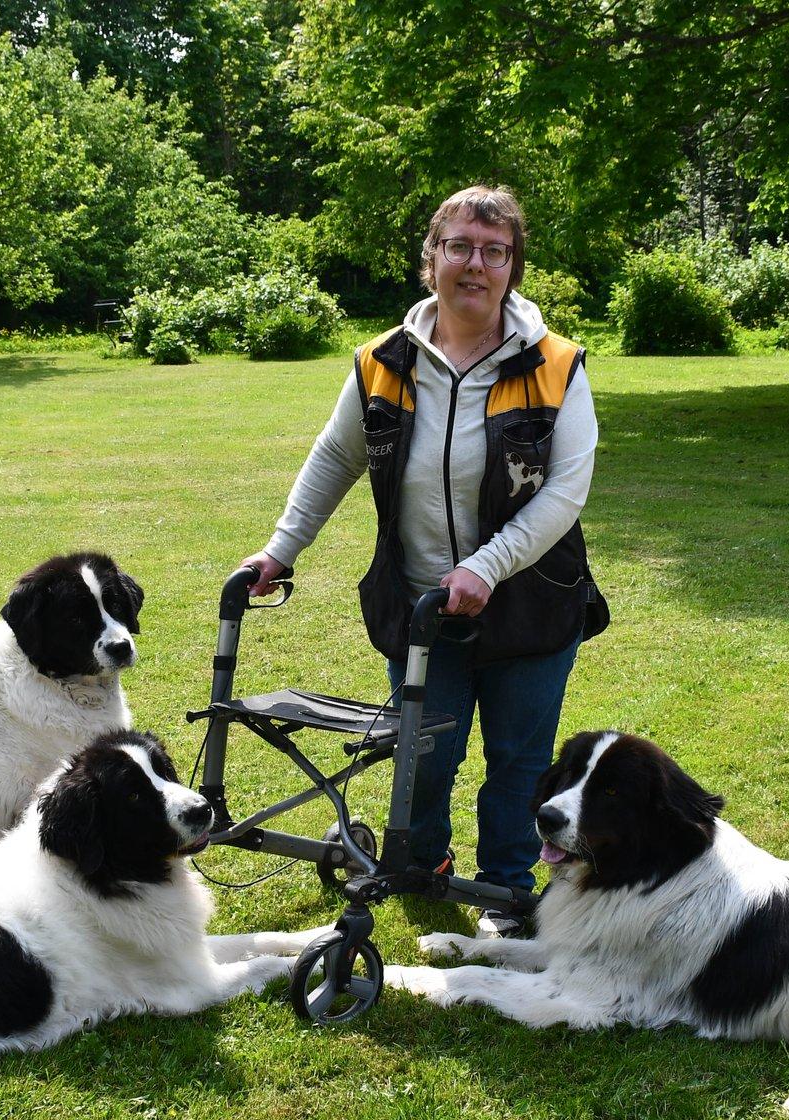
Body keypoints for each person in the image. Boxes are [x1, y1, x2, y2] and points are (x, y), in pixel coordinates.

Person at [239, 185, 609, 937]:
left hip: (532, 604)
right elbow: (335, 458)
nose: (476, 264)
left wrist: (487, 567)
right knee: (425, 752)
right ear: (431, 258)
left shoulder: (557, 364)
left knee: (517, 760)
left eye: (495, 252)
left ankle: (507, 893)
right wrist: (281, 548)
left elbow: (565, 492)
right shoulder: (382, 363)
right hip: (421, 606)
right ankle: (422, 866)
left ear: (512, 267)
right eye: (460, 246)